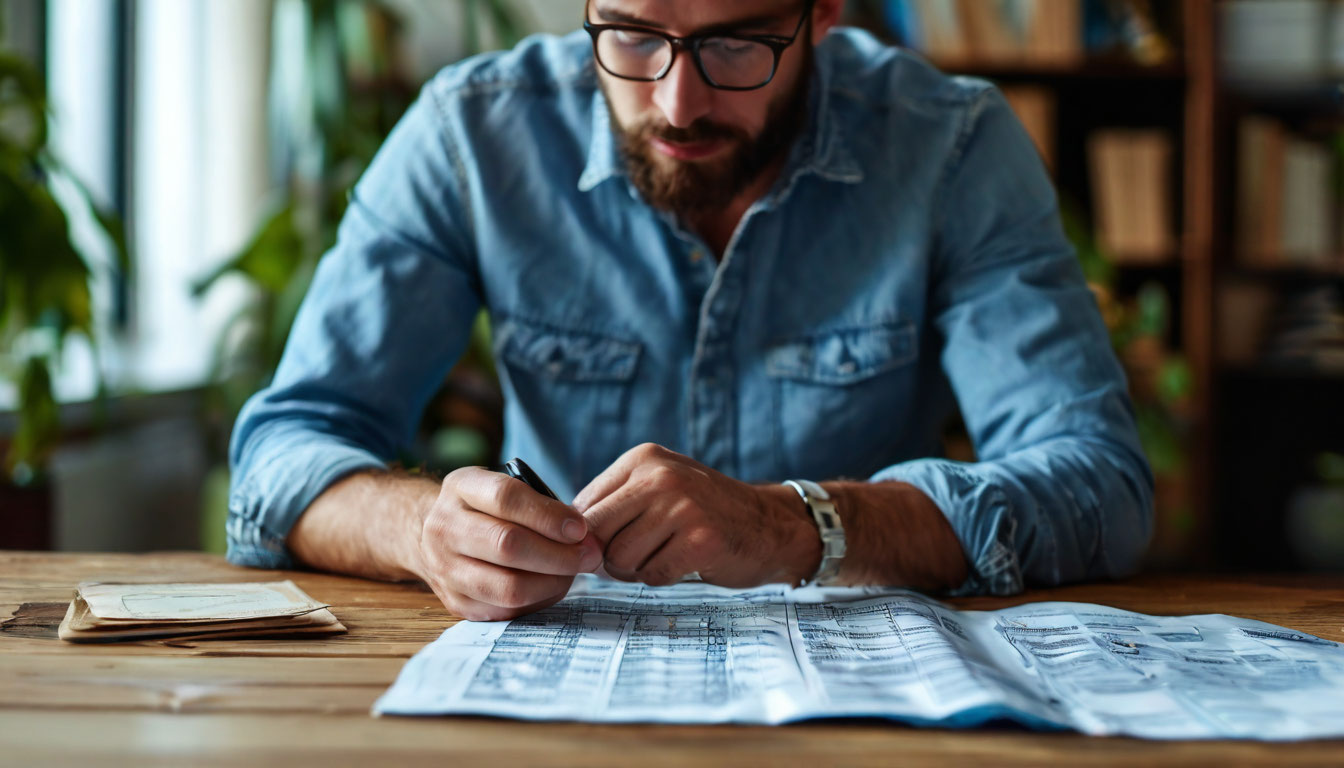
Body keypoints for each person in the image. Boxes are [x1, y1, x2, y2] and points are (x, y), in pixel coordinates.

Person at [227, 0, 1154, 621]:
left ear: (821, 13)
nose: (677, 102)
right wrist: (422, 527)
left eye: (735, 44)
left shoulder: (950, 145)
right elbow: (281, 457)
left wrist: (795, 526)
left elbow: (1100, 487)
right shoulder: (474, 133)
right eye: (631, 34)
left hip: (866, 707)